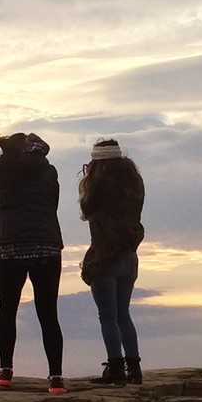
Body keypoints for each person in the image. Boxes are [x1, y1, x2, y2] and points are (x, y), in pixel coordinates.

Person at [0, 132, 66, 393]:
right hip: (46, 245)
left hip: (9, 247)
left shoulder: (0, 171)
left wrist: (4, 224)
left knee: (7, 309)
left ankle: (5, 371)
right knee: (48, 313)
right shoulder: (49, 171)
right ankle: (56, 378)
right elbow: (52, 206)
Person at [78, 138, 145, 385]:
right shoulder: (134, 185)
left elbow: (86, 210)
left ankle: (115, 367)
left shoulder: (98, 185)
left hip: (105, 255)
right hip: (129, 256)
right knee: (123, 314)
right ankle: (134, 368)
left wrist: (87, 184)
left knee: (107, 315)